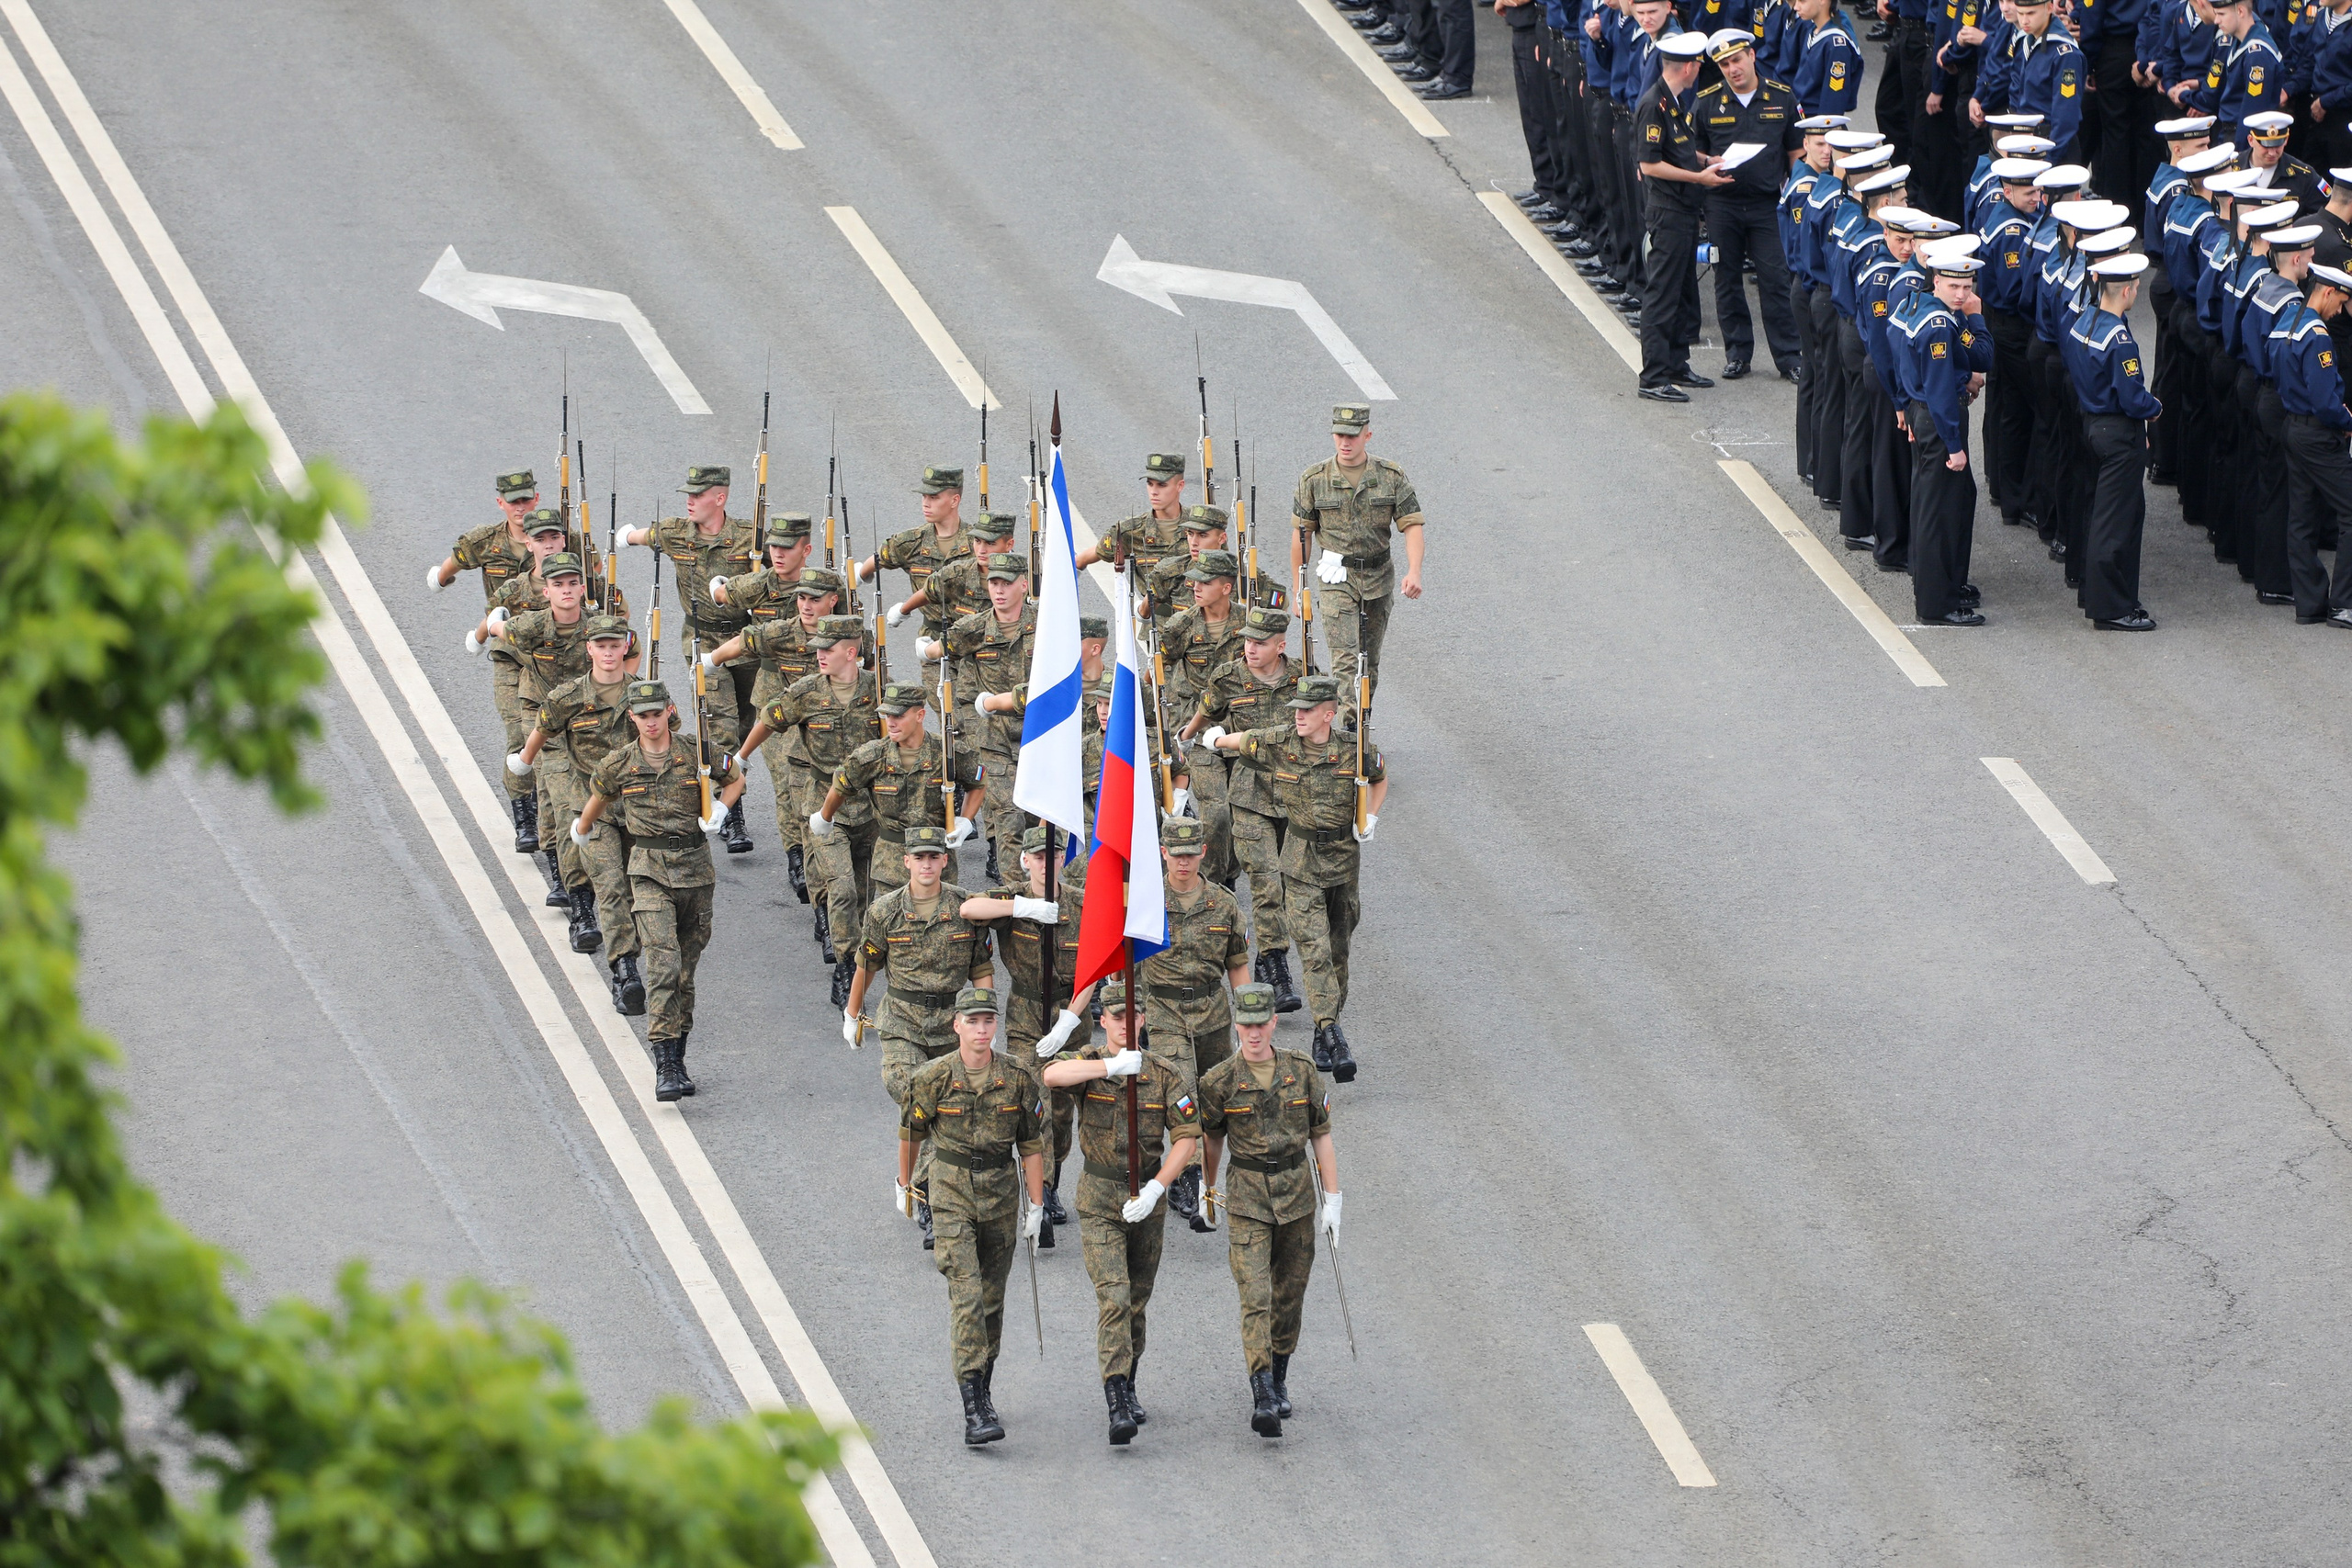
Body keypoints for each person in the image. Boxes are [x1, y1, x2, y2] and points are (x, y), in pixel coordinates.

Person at [1204, 673, 1388, 1082]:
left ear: (1329, 714)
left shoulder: (1355, 751)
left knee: (1338, 950)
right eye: (1296, 710)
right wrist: (1214, 739)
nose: (1298, 716)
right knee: (1315, 949)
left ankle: (1328, 1025)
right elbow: (1244, 739)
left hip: (1344, 862)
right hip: (1300, 864)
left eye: (1307, 711)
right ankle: (1330, 1031)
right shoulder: (1281, 742)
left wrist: (1370, 816)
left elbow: (1379, 777)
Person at [1039, 987, 1202, 1446]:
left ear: (1145, 1018)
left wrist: (1157, 1188)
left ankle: (1129, 1383)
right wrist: (1110, 1067)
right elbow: (1052, 1075)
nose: (1125, 1023)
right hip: (1099, 1197)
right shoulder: (1091, 1063)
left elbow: (1187, 1137)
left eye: (1133, 1015)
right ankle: (1115, 1399)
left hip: (1146, 1195)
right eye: (1116, 1016)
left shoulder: (1164, 1074)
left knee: (1136, 1301)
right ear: (1103, 1020)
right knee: (1114, 1296)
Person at [897, 986, 1047, 1446]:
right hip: (951, 1190)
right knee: (966, 1293)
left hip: (1001, 1193)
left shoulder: (1018, 1077)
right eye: (973, 1021)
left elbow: (1031, 1145)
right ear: (956, 1025)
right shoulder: (933, 1077)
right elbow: (911, 1132)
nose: (981, 1030)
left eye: (988, 1021)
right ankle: (973, 1407)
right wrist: (904, 1184)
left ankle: (982, 1384)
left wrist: (1037, 1205)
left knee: (991, 1300)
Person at [571, 680, 732, 1101]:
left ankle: (679, 1053)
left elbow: (735, 778)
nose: (651, 722)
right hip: (649, 873)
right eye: (642, 716)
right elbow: (598, 798)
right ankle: (665, 1064)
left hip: (696, 872)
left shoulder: (696, 753)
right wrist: (583, 831)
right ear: (633, 719)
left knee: (684, 974)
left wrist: (722, 808)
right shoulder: (619, 763)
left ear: (669, 711)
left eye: (657, 713)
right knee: (662, 966)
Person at [1199, 982, 1340, 1440]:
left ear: (1273, 1023)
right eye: (1245, 1024)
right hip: (1247, 1198)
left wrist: (1333, 1199)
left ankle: (1279, 1374)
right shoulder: (1219, 1081)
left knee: (1288, 1298)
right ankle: (1262, 1391)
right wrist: (1208, 1188)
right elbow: (1212, 1138)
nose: (1253, 1033)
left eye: (1261, 1024)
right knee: (1255, 1297)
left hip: (1297, 1194)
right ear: (1236, 1025)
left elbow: (1320, 1133)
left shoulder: (1301, 1070)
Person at [845, 822, 997, 1248]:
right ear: (906, 861)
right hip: (902, 1022)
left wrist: (985, 1021)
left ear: (945, 861)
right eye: (920, 857)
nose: (927, 864)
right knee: (912, 1092)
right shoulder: (885, 911)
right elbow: (867, 964)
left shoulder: (965, 909)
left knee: (944, 1109)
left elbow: (980, 969)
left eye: (935, 857)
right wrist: (853, 1012)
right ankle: (927, 1191)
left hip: (953, 1025)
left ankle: (927, 1194)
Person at [727, 615, 884, 979]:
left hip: (869, 804)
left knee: (862, 894)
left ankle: (847, 944)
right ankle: (846, 972)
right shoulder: (806, 691)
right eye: (818, 650)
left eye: (827, 650)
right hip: (822, 800)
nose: (819, 656)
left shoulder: (878, 691)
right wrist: (743, 757)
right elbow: (769, 718)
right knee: (841, 887)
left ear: (850, 651)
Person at [619, 466, 757, 854]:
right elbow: (644, 536)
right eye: (688, 495)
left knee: (746, 725)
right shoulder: (676, 532)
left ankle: (731, 785)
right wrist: (626, 537)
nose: (690, 501)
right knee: (721, 727)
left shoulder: (750, 538)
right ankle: (732, 815)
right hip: (701, 639)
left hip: (745, 639)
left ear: (720, 497)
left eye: (698, 495)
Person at [960, 826, 1087, 1240]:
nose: (1046, 864)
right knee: (1039, 1102)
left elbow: (1096, 965)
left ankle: (1050, 1177)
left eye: (1054, 856)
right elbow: (969, 909)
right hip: (1026, 1013)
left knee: (1064, 1110)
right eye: (1038, 857)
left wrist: (1071, 1018)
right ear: (1025, 861)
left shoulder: (1082, 905)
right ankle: (1043, 1192)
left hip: (1071, 1011)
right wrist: (1022, 909)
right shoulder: (1010, 897)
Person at [514, 614, 645, 1015]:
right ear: (589, 649)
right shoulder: (568, 697)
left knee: (639, 885)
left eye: (615, 645)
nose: (608, 652)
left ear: (626, 648)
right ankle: (625, 971)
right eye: (600, 645)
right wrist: (523, 763)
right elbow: (540, 733)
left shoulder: (646, 696)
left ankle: (639, 953)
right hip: (589, 802)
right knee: (610, 884)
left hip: (637, 805)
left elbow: (667, 740)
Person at [1182, 605, 1306, 1015]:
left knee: (1287, 882)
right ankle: (1275, 961)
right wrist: (1187, 739)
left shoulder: (1302, 678)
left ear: (1281, 646)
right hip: (1249, 794)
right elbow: (1206, 712)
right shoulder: (1228, 677)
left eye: (1260, 643)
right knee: (1267, 880)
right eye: (1247, 641)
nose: (1251, 649)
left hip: (1292, 796)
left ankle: (1264, 950)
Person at [702, 564, 851, 906]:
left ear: (833, 600)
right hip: (785, 721)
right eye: (801, 597)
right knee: (788, 786)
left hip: (835, 725)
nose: (806, 605)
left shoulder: (850, 635)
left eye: (814, 599)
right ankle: (798, 856)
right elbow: (744, 642)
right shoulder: (782, 632)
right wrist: (711, 660)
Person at [828, 682, 986, 996]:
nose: (892, 723)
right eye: (887, 716)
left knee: (943, 929)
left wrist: (967, 821)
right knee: (892, 930)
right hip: (892, 858)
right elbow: (841, 784)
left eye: (899, 716)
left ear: (920, 715)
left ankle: (941, 993)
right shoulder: (873, 755)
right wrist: (823, 817)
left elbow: (977, 783)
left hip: (936, 857)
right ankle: (884, 991)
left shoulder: (948, 753)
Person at [1137, 816, 1251, 1231]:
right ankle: (1188, 1178)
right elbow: (1126, 965)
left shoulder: (1223, 904)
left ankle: (1203, 1175)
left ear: (1203, 852)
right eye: (1175, 855)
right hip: (1165, 1013)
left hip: (1213, 1014)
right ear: (1163, 853)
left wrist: (1246, 1020)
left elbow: (1237, 965)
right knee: (1182, 1095)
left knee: (1212, 1101)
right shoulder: (1146, 901)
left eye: (1191, 854)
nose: (1183, 863)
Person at [432, 474, 547, 851]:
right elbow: (445, 572)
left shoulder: (555, 541)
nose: (520, 507)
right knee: (519, 734)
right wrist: (442, 580)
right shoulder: (486, 542)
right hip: (510, 656)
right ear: (501, 503)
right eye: (512, 501)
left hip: (555, 656)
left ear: (537, 499)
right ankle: (525, 819)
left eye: (526, 500)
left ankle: (557, 816)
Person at [464, 507, 574, 884]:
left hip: (567, 674)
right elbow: (494, 622)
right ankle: (524, 811)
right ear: (528, 542)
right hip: (518, 668)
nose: (547, 545)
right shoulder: (514, 588)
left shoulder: (580, 582)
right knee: (520, 739)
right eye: (540, 539)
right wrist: (480, 637)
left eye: (554, 538)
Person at [708, 513, 816, 898]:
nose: (779, 554)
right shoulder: (760, 584)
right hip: (774, 691)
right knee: (787, 782)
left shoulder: (824, 585)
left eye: (787, 548)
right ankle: (797, 857)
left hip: (821, 690)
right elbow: (721, 594)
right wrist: (719, 585)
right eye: (774, 548)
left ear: (806, 549)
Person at [1292, 405, 1427, 705]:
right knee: (1345, 660)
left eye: (1352, 435)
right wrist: (1298, 587)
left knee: (1370, 661)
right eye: (1339, 435)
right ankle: (1349, 730)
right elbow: (1302, 535)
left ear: (1367, 435)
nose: (1345, 442)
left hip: (1379, 578)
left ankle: (1362, 720)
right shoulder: (1314, 479)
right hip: (1336, 576)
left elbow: (1412, 525)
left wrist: (1414, 571)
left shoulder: (1391, 476)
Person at [1695, 30, 1808, 381]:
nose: (1732, 69)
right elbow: (1690, 150)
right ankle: (1738, 354)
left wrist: (1797, 195)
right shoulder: (1707, 102)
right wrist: (1706, 161)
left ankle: (1789, 356)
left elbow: (1796, 153)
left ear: (1752, 56)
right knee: (1726, 278)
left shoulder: (1783, 98)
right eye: (1724, 64)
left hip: (1766, 205)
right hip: (1722, 204)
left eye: (1737, 60)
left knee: (1775, 279)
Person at [1892, 243, 1996, 624]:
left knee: (1933, 503)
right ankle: (1938, 604)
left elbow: (1897, 351)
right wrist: (1954, 446)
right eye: (1954, 286)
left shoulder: (1916, 305)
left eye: (1967, 286)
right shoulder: (1941, 324)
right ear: (1937, 280)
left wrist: (1902, 401)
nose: (1962, 294)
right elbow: (1945, 385)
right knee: (1941, 512)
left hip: (1923, 414)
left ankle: (1937, 584)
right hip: (1939, 419)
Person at [2064, 253, 2167, 628]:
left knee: (2101, 514)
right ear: (2126, 290)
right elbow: (2132, 396)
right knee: (2116, 521)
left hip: (2093, 424)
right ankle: (2112, 608)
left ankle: (2097, 592)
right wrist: (2154, 407)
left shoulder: (2082, 321)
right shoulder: (2120, 339)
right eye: (2136, 286)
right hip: (2119, 432)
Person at [1635, 33, 1733, 400]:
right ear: (1690, 67)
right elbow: (1650, 163)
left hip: (1684, 210)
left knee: (1680, 290)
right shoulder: (1654, 105)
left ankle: (1676, 363)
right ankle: (1654, 376)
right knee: (1662, 294)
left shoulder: (1674, 102)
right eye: (1699, 65)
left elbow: (1678, 151)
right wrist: (1699, 177)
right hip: (1668, 211)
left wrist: (1708, 161)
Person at [943, 558, 1037, 878]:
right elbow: (946, 668)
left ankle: (1040, 890)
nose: (999, 590)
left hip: (1037, 739)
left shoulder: (1048, 627)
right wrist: (974, 730)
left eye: (1007, 583)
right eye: (994, 583)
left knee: (1039, 824)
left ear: (1023, 585)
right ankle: (1014, 897)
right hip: (994, 742)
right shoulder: (972, 630)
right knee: (1009, 820)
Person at [2272, 260, 2352, 624]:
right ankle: (2343, 602)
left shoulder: (2288, 322)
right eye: (2341, 301)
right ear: (2328, 291)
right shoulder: (2318, 335)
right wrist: (2346, 419)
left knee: (2302, 518)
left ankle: (2310, 603)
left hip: (2293, 426)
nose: (2340, 310)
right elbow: (2324, 401)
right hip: (2319, 435)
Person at [854, 465, 973, 708]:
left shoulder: (976, 543)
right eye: (924, 497)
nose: (926, 503)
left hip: (974, 641)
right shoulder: (912, 542)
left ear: (954, 500)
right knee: (949, 719)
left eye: (934, 497)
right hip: (932, 643)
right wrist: (857, 577)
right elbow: (878, 559)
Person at [1979, 157, 2052, 530]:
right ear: (2006, 191)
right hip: (2011, 327)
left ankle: (2009, 496)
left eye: (2039, 191)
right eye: (2029, 192)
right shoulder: (2011, 229)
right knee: (2029, 411)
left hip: (2002, 325)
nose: (2037, 198)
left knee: (2011, 411)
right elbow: (2014, 288)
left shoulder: (2011, 217)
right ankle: (2023, 497)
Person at [1787, 116, 1849, 480]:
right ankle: (1814, 463)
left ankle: (1811, 462)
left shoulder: (1816, 182)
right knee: (1820, 376)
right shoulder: (1807, 187)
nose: (1827, 151)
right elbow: (1802, 249)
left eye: (1833, 144)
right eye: (1820, 143)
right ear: (1805, 144)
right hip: (1809, 285)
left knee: (1814, 373)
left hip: (1809, 285)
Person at [1076, 453, 1188, 578]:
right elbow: (1082, 560)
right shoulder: (1133, 531)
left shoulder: (1202, 527)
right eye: (1150, 484)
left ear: (1180, 486)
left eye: (1162, 485)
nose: (1153, 492)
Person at [2197, 0, 2285, 147]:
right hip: (2229, 131)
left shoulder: (2257, 54)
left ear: (2241, 11)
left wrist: (2239, 152)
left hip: (2242, 137)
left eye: (2222, 14)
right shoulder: (2240, 41)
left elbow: (2252, 113)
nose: (2217, 20)